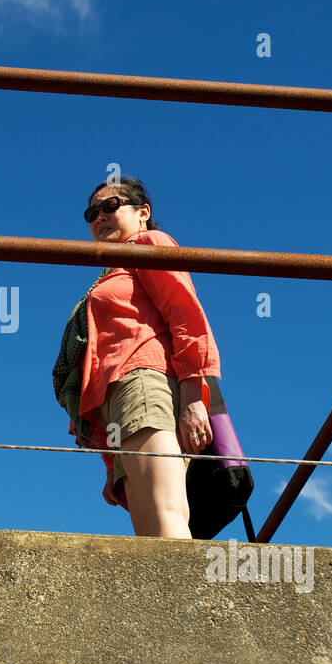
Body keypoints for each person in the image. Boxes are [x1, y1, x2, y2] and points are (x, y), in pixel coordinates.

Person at [58, 177, 223, 539]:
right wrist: (110, 463)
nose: (99, 216)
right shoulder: (109, 273)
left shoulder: (148, 243)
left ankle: (189, 595)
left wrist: (194, 396)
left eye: (110, 206)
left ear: (143, 212)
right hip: (117, 402)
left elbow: (185, 314)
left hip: (145, 380)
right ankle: (173, 595)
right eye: (91, 212)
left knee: (166, 518)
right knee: (148, 538)